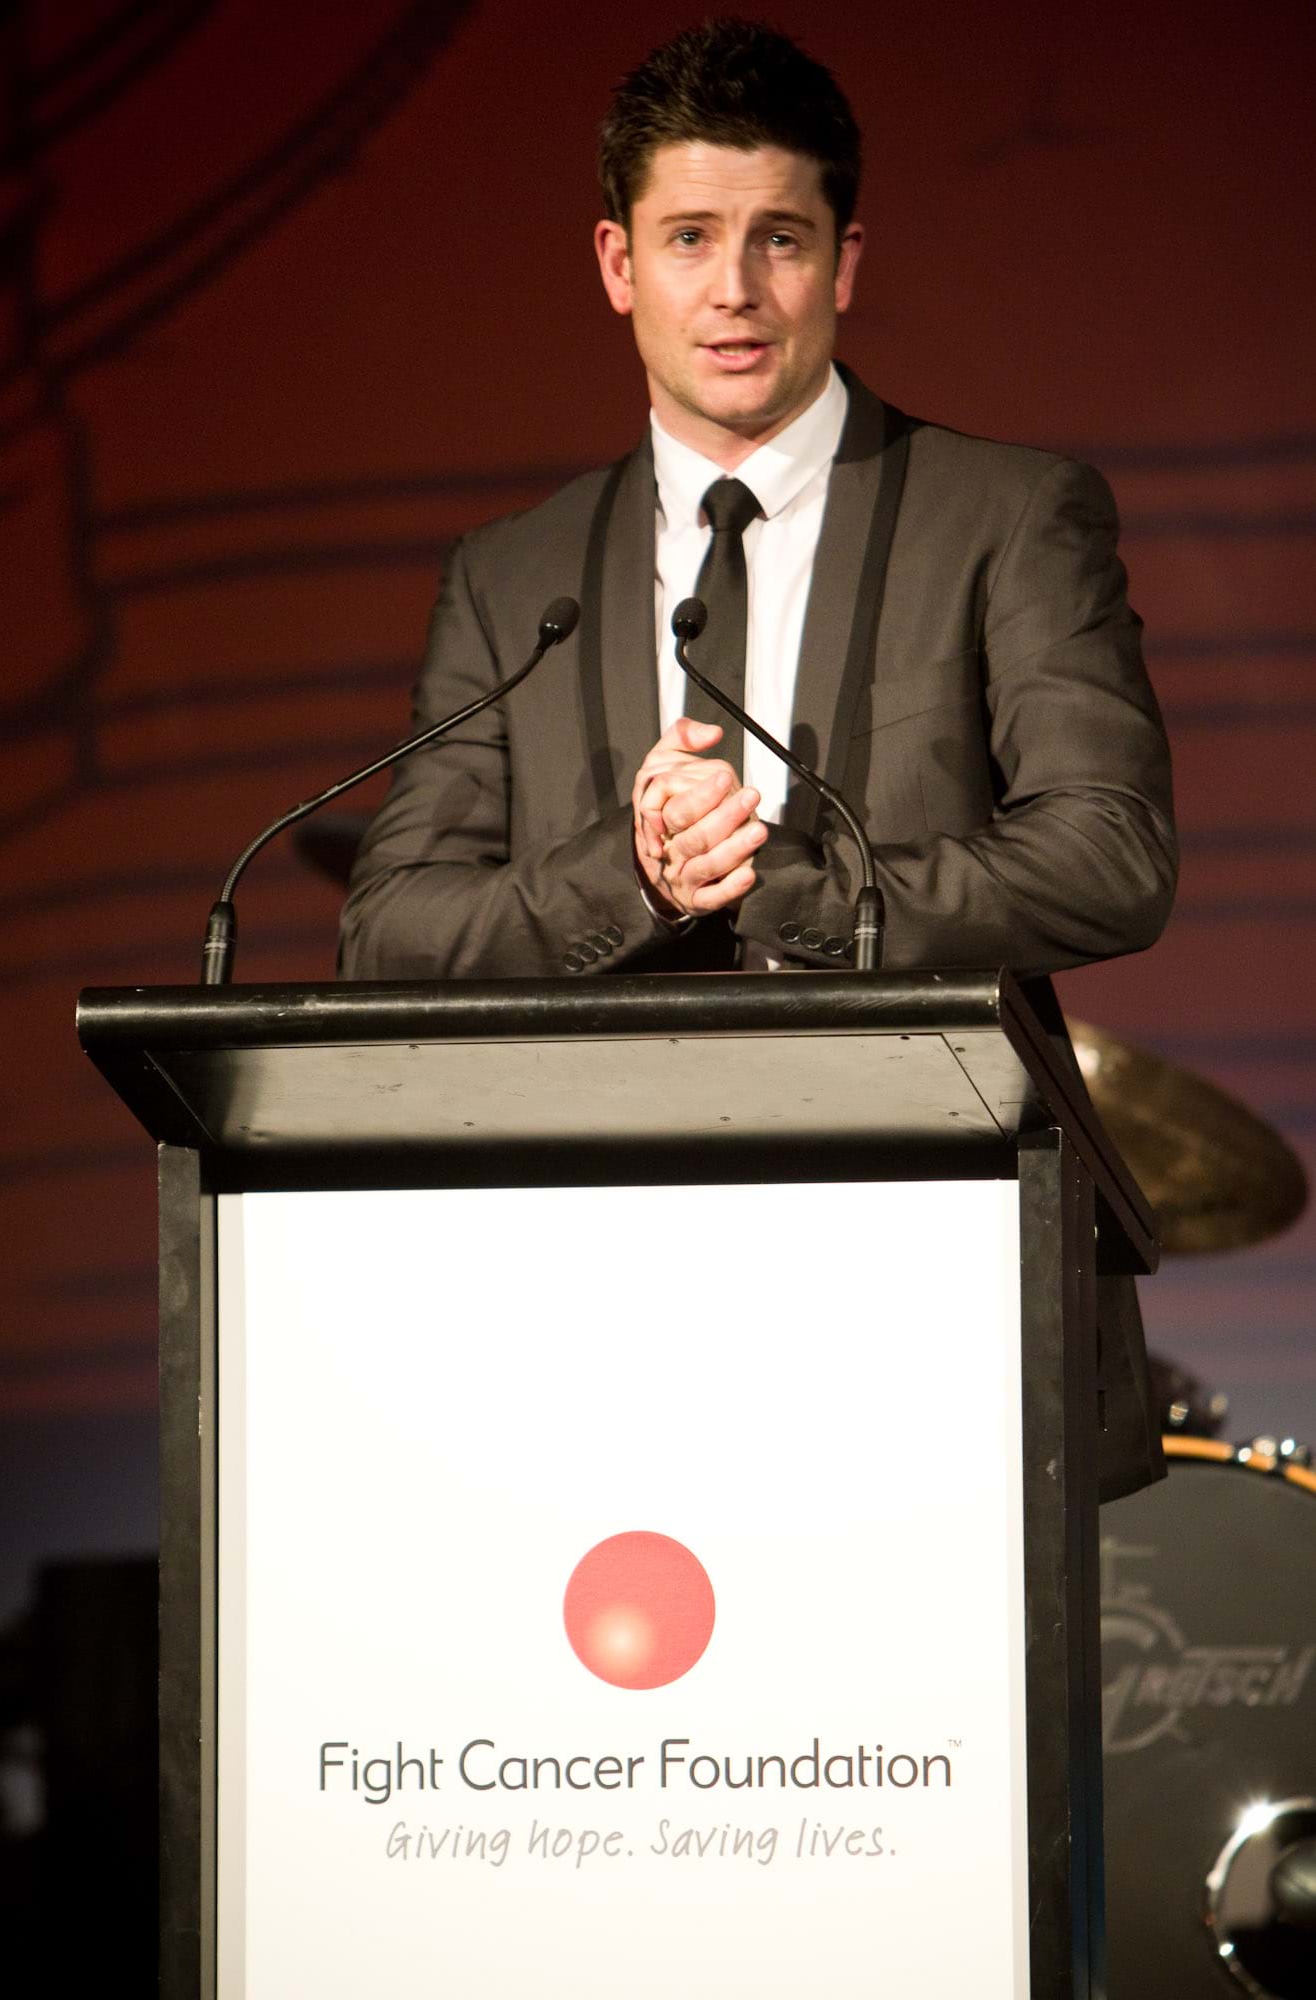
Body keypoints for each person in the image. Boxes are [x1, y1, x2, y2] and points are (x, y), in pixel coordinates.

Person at [338, 20, 1176, 1498]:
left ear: (844, 264)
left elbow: (1109, 855)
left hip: (937, 1279)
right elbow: (391, 925)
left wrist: (791, 889)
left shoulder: (1004, 515)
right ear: (616, 265)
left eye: (780, 239)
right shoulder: (510, 572)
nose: (733, 290)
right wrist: (639, 878)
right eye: (688, 238)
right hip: (584, 1308)